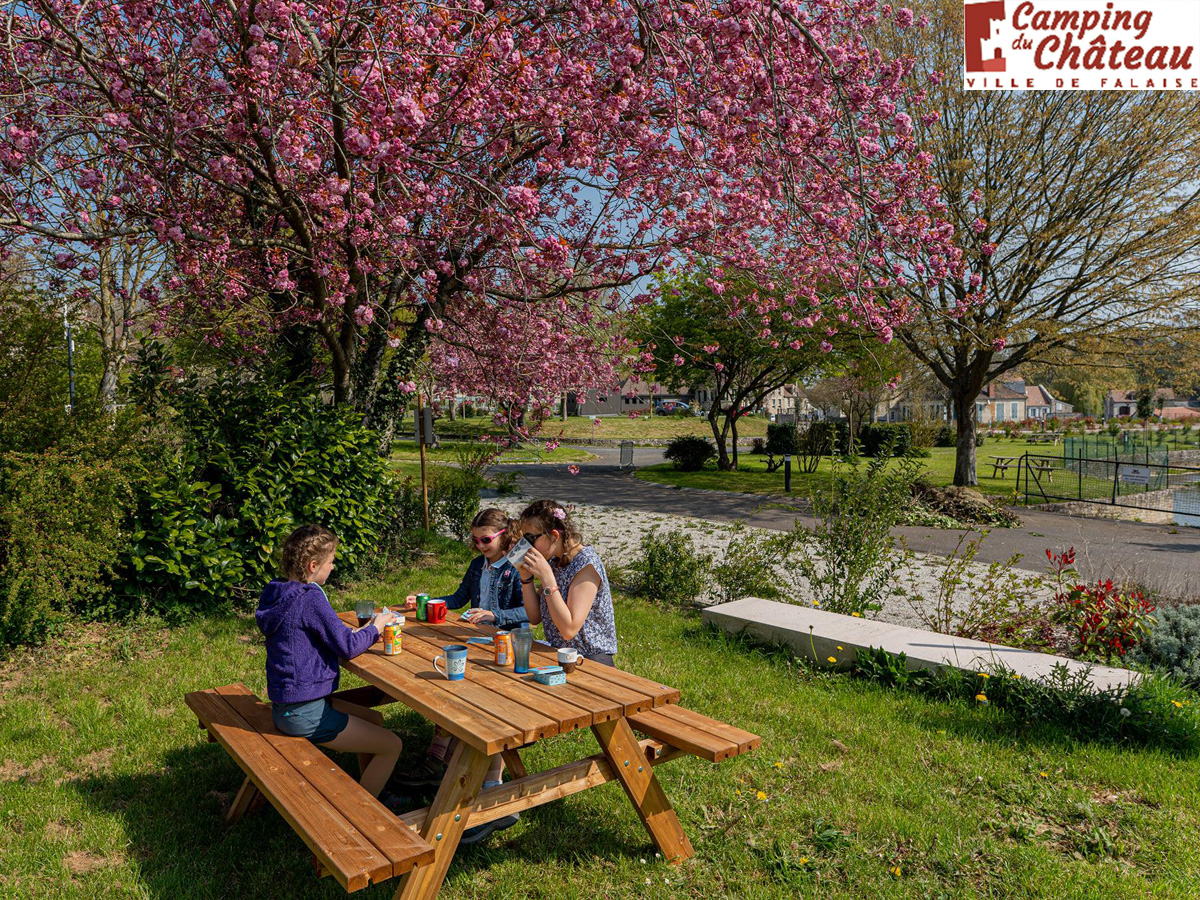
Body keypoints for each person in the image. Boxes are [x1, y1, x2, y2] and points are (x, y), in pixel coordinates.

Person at [393, 508, 527, 843]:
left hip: (506, 646)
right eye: (476, 540)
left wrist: (494, 614)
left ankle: (486, 782)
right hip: (476, 642)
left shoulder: (515, 569)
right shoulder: (477, 565)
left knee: (486, 708)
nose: (480, 545)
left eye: (486, 539)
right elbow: (458, 598)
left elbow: (528, 611)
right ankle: (439, 759)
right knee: (451, 691)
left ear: (504, 536)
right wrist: (426, 600)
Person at [256, 524, 405, 808]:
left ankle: (375, 786)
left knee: (374, 720)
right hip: (305, 713)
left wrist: (352, 634)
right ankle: (362, 812)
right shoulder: (309, 597)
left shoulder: (278, 591)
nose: (333, 567)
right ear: (313, 566)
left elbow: (321, 634)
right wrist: (376, 627)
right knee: (392, 745)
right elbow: (347, 647)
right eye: (331, 562)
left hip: (288, 705)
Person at [515, 499, 617, 666]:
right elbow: (535, 617)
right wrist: (526, 578)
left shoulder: (587, 565)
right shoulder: (555, 561)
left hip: (590, 661)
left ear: (554, 536)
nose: (528, 546)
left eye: (531, 538)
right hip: (560, 655)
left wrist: (547, 578)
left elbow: (569, 629)